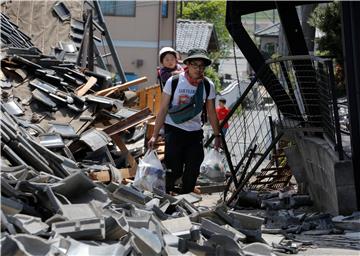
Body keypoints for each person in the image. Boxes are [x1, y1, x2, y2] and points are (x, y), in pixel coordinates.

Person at [148, 48, 221, 194]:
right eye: (195, 65)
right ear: (187, 64)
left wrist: (217, 135)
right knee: (173, 169)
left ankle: (185, 197)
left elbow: (212, 112)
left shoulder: (207, 85)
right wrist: (155, 135)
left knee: (194, 167)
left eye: (202, 66)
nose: (199, 69)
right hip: (174, 130)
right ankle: (167, 197)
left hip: (194, 132)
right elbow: (162, 110)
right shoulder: (174, 81)